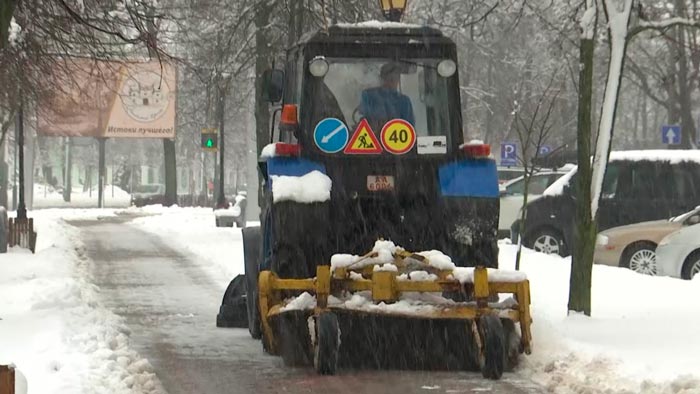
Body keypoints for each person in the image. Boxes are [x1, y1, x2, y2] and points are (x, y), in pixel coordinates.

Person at [360, 62, 415, 130]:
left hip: (398, 139)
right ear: (382, 78)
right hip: (373, 138)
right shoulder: (369, 96)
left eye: (396, 76)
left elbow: (410, 128)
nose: (393, 80)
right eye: (390, 77)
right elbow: (366, 119)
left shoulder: (404, 101)